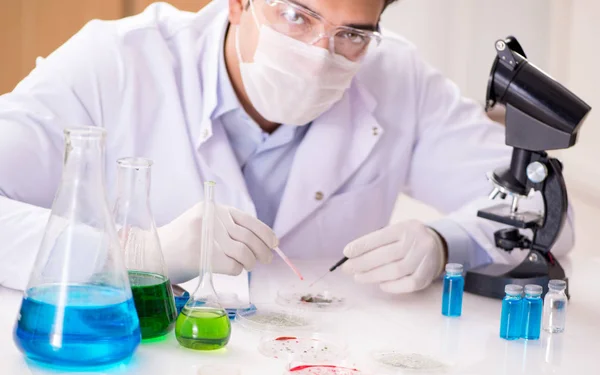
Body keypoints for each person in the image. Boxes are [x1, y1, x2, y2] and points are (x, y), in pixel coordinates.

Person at [0, 0, 573, 292]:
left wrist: (444, 244)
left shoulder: (399, 77)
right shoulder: (117, 63)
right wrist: (133, 253)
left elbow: (550, 217)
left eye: (351, 33)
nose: (319, 51)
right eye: (295, 14)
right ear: (237, 4)